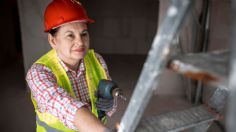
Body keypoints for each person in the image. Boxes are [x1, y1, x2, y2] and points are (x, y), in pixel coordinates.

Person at [26, 0, 116, 131]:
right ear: (53, 40)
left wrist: (110, 103)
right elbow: (64, 106)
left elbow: (109, 106)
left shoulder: (97, 60)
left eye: (84, 34)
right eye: (70, 35)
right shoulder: (38, 73)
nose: (80, 42)